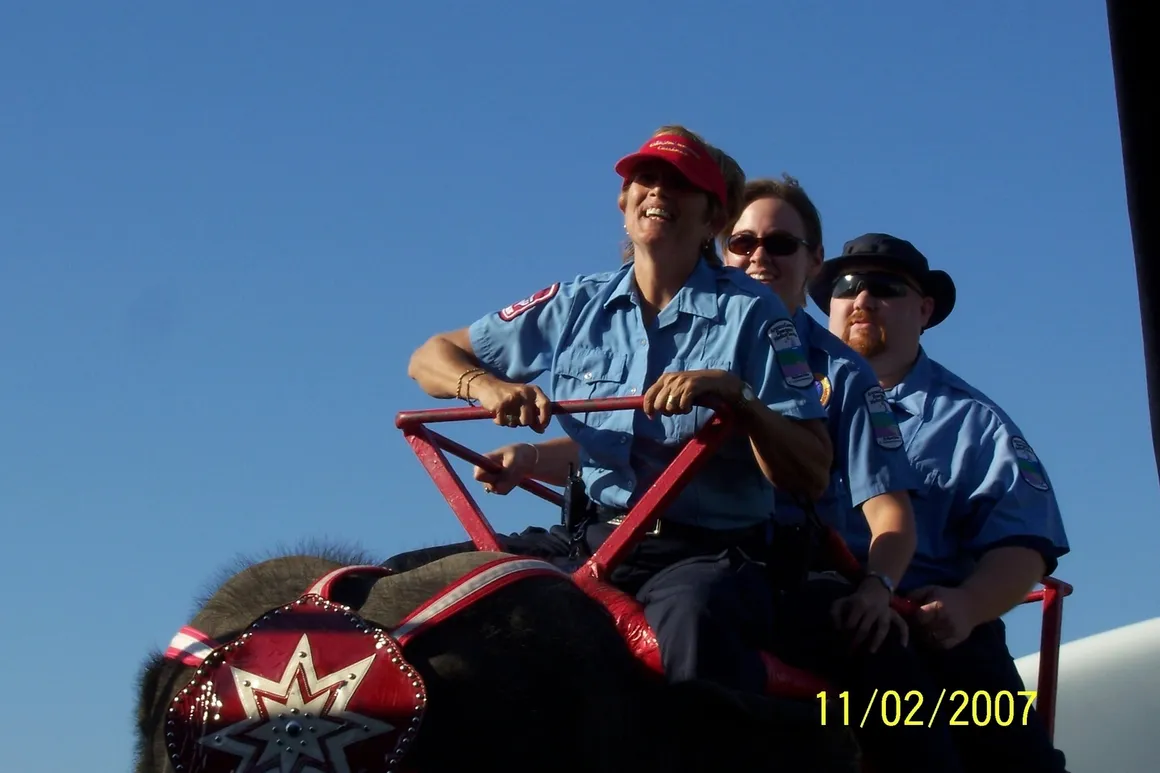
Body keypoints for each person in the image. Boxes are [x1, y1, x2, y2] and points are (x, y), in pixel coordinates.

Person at [404, 124, 835, 697]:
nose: (658, 192)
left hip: (706, 556)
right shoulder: (574, 303)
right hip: (588, 540)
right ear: (624, 203)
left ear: (713, 220)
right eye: (645, 179)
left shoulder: (756, 315)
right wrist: (483, 387)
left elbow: (810, 470)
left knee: (690, 636)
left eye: (680, 184)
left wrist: (740, 400)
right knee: (418, 585)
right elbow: (429, 357)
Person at [807, 232, 1071, 773]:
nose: (862, 299)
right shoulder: (779, 400)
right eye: (847, 286)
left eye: (884, 287)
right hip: (805, 609)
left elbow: (1022, 539)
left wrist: (968, 606)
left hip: (930, 634)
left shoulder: (974, 423)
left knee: (1018, 762)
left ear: (923, 310)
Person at [718, 175, 919, 653]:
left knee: (887, 663)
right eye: (742, 242)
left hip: (784, 575)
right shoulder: (682, 340)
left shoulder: (845, 373)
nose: (759, 258)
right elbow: (618, 447)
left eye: (781, 244)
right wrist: (531, 460)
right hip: (675, 553)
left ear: (814, 260)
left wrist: (876, 589)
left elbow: (891, 514)